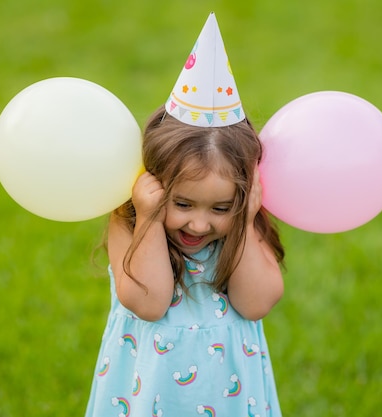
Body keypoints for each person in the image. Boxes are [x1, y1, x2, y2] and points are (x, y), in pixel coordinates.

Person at [85, 13, 285, 417]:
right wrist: (149, 219)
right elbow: (150, 303)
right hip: (147, 398)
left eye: (221, 208)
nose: (199, 224)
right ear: (153, 184)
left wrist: (244, 222)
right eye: (182, 204)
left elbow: (257, 302)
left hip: (230, 402)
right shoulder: (129, 220)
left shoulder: (242, 227)